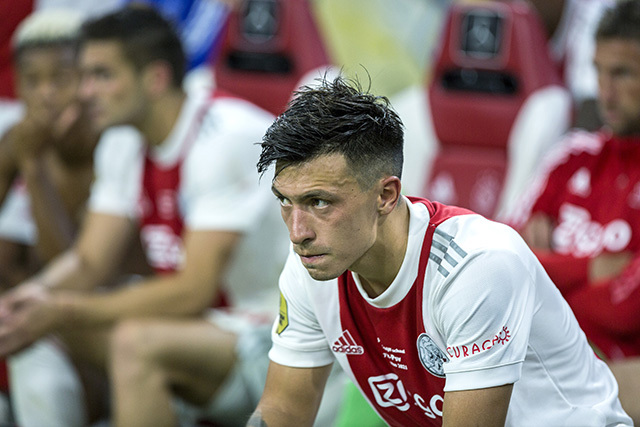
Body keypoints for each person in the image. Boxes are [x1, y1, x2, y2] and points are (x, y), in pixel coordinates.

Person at [246, 74, 632, 426]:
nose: (297, 232)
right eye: (285, 201)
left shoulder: (477, 266)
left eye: (319, 202)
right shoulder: (312, 262)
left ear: (386, 195)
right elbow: (282, 411)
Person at [0, 5, 289, 427]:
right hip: (208, 328)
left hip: (280, 335)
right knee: (26, 324)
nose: (84, 92)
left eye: (102, 75)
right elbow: (88, 262)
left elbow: (193, 291)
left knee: (133, 343)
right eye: (84, 76)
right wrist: (28, 300)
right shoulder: (122, 140)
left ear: (155, 79)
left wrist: (60, 308)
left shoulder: (224, 137)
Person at [506, 0, 640, 422]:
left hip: (617, 374)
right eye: (599, 71)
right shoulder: (570, 156)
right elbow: (501, 264)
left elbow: (626, 310)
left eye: (622, 73)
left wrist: (545, 269)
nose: (605, 92)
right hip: (533, 362)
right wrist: (592, 269)